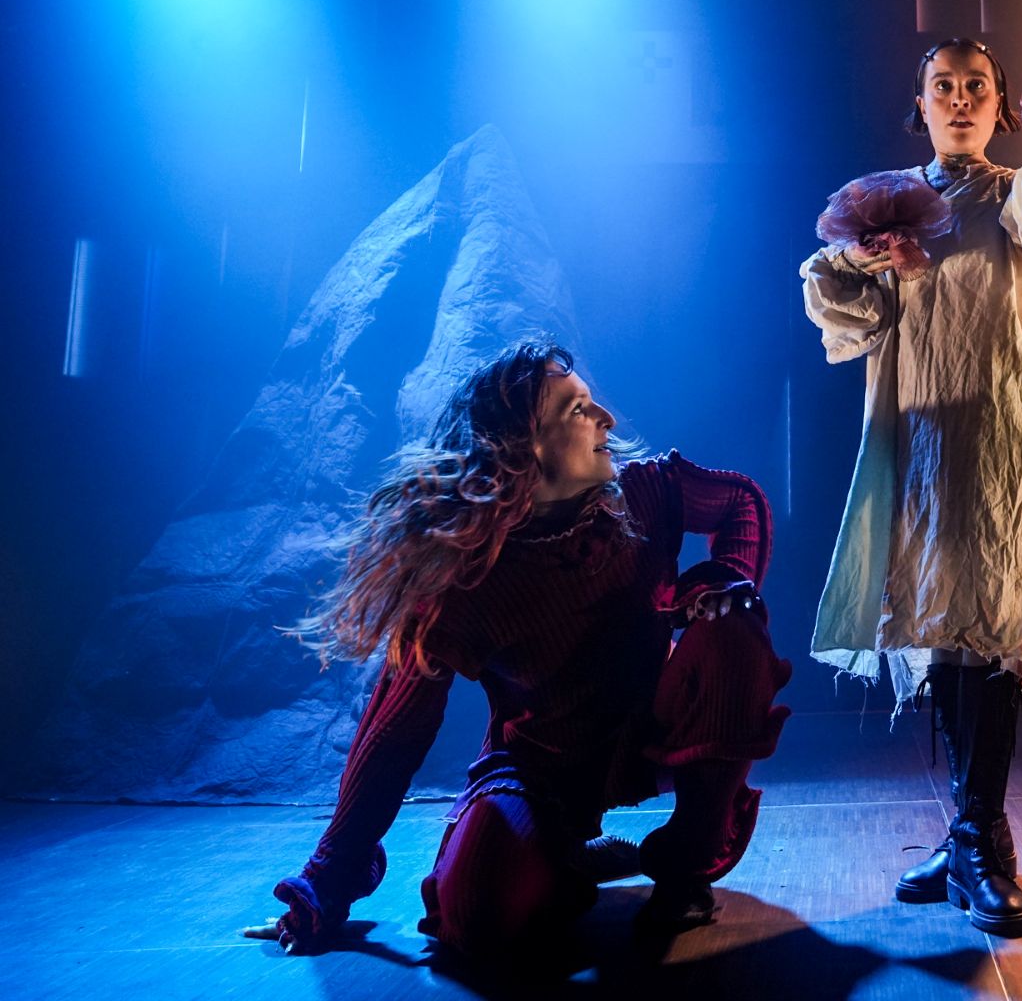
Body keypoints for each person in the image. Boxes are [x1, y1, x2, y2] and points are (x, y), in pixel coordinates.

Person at [248, 339, 790, 961]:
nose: (607, 419)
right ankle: (562, 864)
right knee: (476, 915)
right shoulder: (463, 575)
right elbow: (394, 731)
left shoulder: (645, 490)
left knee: (735, 622)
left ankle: (684, 866)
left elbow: (741, 502)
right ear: (523, 447)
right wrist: (328, 880)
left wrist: (721, 579)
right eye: (578, 409)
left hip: (659, 729)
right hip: (541, 769)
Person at [801, 37, 1022, 936]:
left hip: (998, 435)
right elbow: (844, 313)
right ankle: (969, 837)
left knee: (990, 629)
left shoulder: (1015, 193)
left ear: (999, 104)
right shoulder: (886, 204)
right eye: (943, 86)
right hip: (918, 435)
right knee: (942, 628)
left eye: (976, 87)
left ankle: (981, 840)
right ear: (920, 103)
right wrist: (860, 262)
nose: (959, 99)